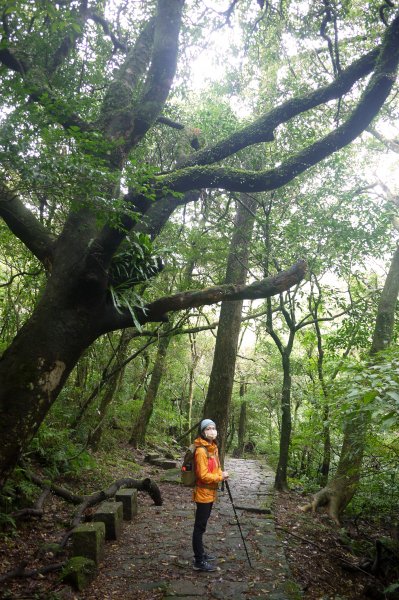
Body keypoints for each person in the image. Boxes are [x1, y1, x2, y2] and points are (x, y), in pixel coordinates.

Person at [192, 418, 229, 572]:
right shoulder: (201, 451)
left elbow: (216, 469)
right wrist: (220, 477)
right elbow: (203, 476)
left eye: (213, 428)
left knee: (202, 526)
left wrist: (222, 474)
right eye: (208, 428)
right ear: (203, 431)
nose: (212, 431)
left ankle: (201, 554)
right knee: (199, 528)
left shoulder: (213, 448)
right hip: (203, 493)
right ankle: (199, 561)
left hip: (210, 493)